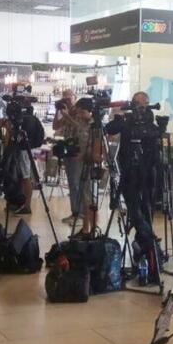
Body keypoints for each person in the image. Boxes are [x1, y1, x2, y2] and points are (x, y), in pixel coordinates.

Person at [106, 91, 163, 280]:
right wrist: (120, 116)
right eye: (136, 103)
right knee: (134, 209)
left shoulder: (150, 121)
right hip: (129, 172)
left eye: (142, 103)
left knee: (147, 210)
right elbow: (110, 129)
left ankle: (144, 250)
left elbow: (155, 137)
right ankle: (150, 240)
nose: (139, 107)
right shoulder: (127, 119)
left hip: (148, 172)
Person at [74, 98, 104, 235]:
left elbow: (98, 149)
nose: (79, 115)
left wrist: (87, 154)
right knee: (84, 198)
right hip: (81, 164)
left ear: (90, 111)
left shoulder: (96, 126)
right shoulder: (82, 123)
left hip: (91, 165)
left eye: (82, 112)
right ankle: (85, 228)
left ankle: (94, 229)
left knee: (91, 199)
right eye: (78, 112)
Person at [53, 89, 80, 224]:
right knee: (72, 183)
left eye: (69, 99)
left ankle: (79, 214)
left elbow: (80, 127)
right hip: (67, 149)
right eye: (65, 99)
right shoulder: (67, 112)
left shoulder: (79, 112)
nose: (67, 101)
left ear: (75, 98)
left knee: (75, 183)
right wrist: (58, 110)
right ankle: (75, 212)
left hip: (77, 150)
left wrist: (67, 115)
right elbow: (55, 126)